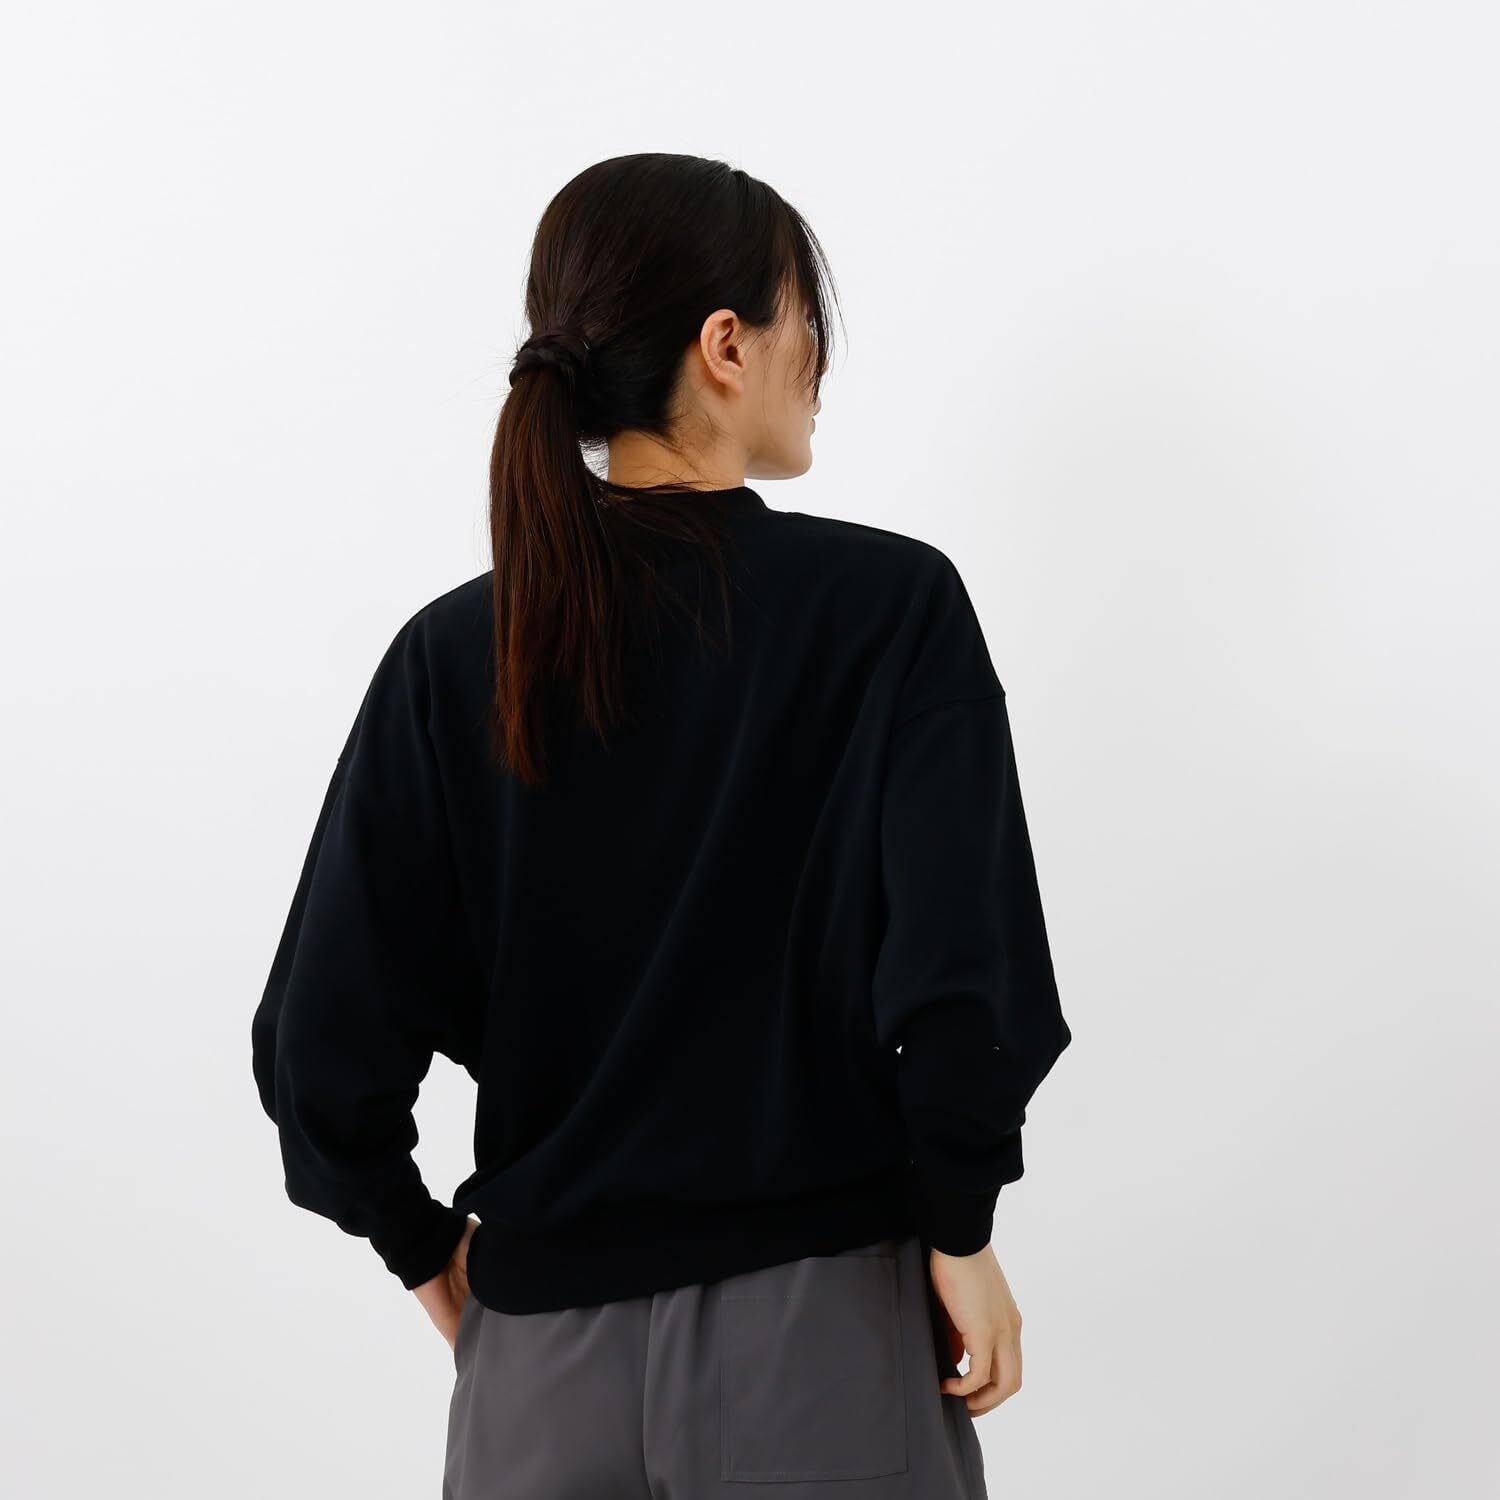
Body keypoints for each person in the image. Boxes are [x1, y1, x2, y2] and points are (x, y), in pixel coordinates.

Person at [250, 152, 1072, 1499]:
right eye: (808, 322)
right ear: (726, 345)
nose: (822, 362)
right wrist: (961, 1229)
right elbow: (961, 984)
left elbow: (318, 1046)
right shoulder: (887, 610)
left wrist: (421, 1249)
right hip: (817, 1343)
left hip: (535, 1369)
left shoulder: (455, 652)